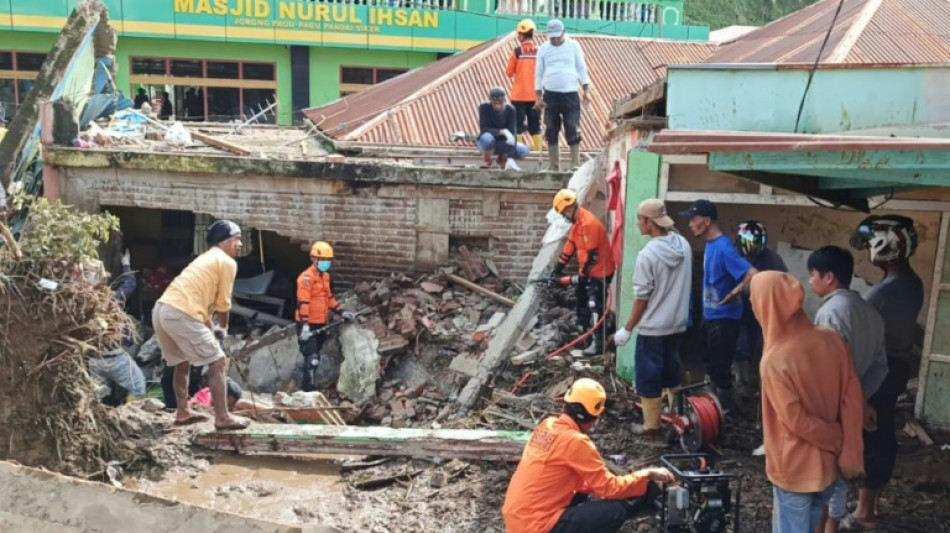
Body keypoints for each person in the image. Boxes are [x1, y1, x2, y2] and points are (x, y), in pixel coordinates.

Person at [751, 272, 865, 533]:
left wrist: (836, 438)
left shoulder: (775, 360)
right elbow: (852, 394)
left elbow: (796, 421)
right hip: (829, 466)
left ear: (766, 304)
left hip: (794, 469)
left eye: (755, 301)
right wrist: (846, 444)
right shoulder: (831, 338)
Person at [502, 378, 674, 533]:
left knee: (587, 496)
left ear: (566, 405)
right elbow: (611, 488)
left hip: (517, 520)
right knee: (614, 511)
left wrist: (594, 486)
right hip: (537, 526)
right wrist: (646, 474)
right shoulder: (576, 442)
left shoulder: (547, 426)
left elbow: (558, 475)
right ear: (593, 419)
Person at [849, 215, 924, 528]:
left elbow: (863, 339)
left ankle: (864, 512)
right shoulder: (911, 281)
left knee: (872, 434)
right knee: (884, 431)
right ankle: (872, 501)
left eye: (869, 243)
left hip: (880, 368)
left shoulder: (882, 294)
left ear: (886, 246)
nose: (867, 249)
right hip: (898, 365)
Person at [807, 246, 888, 533]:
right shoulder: (871, 312)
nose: (809, 281)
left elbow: (826, 370)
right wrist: (859, 399)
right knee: (840, 477)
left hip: (830, 409)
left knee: (821, 478)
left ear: (828, 277)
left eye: (812, 275)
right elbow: (881, 366)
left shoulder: (830, 313)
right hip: (852, 408)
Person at [152, 220, 250, 430]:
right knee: (218, 362)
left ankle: (182, 412)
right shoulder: (226, 262)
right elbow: (224, 304)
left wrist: (211, 332)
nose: (240, 244)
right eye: (237, 239)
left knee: (182, 362)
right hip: (180, 313)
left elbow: (203, 310)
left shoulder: (205, 260)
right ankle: (223, 417)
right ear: (224, 241)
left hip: (162, 310)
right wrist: (223, 329)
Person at [613, 199, 691, 434]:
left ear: (649, 223)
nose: (638, 224)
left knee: (649, 375)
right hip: (677, 324)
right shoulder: (683, 245)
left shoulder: (647, 255)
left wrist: (627, 329)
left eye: (640, 219)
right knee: (671, 368)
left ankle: (651, 426)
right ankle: (675, 413)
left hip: (653, 329)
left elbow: (642, 299)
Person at [680, 200, 757, 413]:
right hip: (711, 316)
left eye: (693, 220)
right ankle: (710, 409)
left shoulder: (724, 248)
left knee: (721, 370)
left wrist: (734, 293)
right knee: (712, 366)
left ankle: (726, 413)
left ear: (706, 221)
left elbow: (752, 275)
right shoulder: (711, 245)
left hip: (725, 319)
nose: (690, 224)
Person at [550, 189, 615, 356]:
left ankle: (598, 344)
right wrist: (558, 267)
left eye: (564, 212)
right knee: (581, 296)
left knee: (595, 305)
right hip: (589, 271)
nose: (563, 216)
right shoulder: (577, 223)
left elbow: (592, 256)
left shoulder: (588, 224)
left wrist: (582, 277)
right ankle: (583, 329)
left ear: (570, 209)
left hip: (600, 271)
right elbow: (570, 245)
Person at [85, 250, 147, 406]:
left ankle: (98, 420)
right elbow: (130, 283)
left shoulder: (78, 305)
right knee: (138, 387)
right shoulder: (109, 301)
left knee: (98, 394)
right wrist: (126, 264)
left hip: (93, 359)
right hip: (115, 358)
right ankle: (131, 417)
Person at [734, 221, 787, 395]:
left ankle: (757, 382)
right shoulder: (733, 257)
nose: (751, 245)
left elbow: (783, 283)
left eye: (756, 241)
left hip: (763, 314)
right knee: (740, 347)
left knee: (760, 349)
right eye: (748, 240)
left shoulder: (772, 259)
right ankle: (741, 382)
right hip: (739, 312)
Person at [296, 241, 356, 392]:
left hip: (321, 323)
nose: (326, 263)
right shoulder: (306, 278)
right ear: (314, 259)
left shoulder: (326, 277)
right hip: (308, 324)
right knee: (312, 359)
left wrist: (341, 311)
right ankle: (308, 391)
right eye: (323, 260)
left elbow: (328, 298)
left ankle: (309, 384)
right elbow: (303, 302)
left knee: (316, 355)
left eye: (328, 260)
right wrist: (304, 326)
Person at [535, 19, 590, 171]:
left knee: (572, 126)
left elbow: (581, 68)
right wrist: (538, 96)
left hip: (570, 94)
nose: (555, 40)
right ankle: (554, 165)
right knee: (551, 128)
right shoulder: (543, 49)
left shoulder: (573, 46)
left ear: (564, 32)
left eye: (557, 37)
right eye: (552, 37)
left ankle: (574, 164)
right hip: (550, 95)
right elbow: (538, 74)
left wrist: (586, 90)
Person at [506, 19, 543, 153]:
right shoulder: (539, 51)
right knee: (535, 126)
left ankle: (520, 152)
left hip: (519, 96)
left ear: (521, 35)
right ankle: (538, 153)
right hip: (535, 96)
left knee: (518, 126)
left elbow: (509, 72)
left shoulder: (517, 52)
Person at [160, 365, 254, 411]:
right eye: (227, 405)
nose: (228, 408)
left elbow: (241, 403)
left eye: (230, 406)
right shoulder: (205, 399)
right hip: (174, 385)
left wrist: (268, 409)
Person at [477, 88, 528, 169]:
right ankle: (487, 161)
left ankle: (502, 159)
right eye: (495, 103)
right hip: (488, 142)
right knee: (487, 138)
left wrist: (510, 157)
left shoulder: (510, 109)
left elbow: (513, 133)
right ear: (490, 102)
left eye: (500, 103)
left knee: (523, 150)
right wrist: (502, 131)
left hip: (504, 142)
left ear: (504, 101)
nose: (497, 106)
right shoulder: (484, 107)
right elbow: (484, 129)